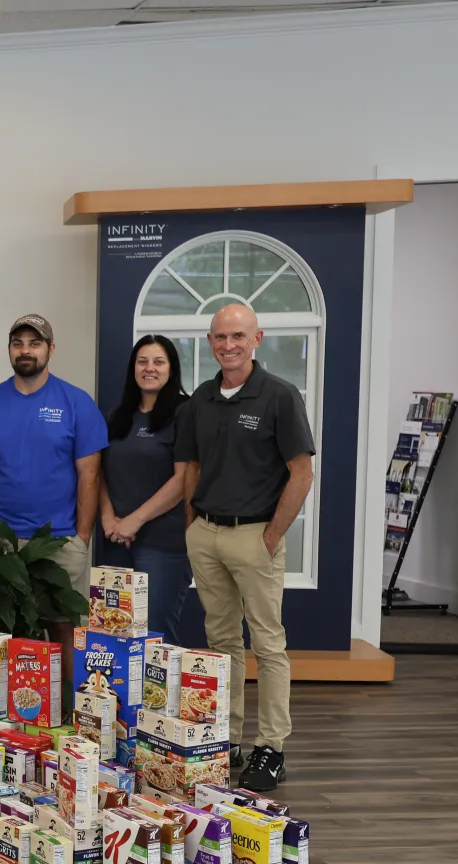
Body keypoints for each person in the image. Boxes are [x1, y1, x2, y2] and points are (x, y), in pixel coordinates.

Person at [177, 303, 316, 792]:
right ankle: (227, 736)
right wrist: (194, 523)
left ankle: (271, 747)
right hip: (208, 535)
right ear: (210, 342)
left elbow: (302, 471)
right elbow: (191, 466)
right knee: (221, 643)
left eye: (238, 335)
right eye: (219, 337)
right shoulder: (201, 398)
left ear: (256, 338)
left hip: (256, 535)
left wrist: (273, 535)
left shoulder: (279, 395)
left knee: (268, 644)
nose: (228, 345)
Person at [0, 314, 107, 606]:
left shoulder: (77, 403)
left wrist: (81, 539)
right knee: (3, 635)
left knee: (65, 631)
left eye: (34, 343)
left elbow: (90, 476)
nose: (25, 350)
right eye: (17, 343)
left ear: (51, 348)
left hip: (59, 542)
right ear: (9, 349)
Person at [99, 335, 192, 644]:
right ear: (133, 368)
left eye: (158, 362)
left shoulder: (185, 413)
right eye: (142, 361)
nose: (149, 368)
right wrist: (109, 518)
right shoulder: (117, 416)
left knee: (155, 639)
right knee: (113, 634)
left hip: (163, 544)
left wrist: (133, 521)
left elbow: (183, 480)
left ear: (171, 369)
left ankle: (160, 696)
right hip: (115, 540)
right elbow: (99, 472)